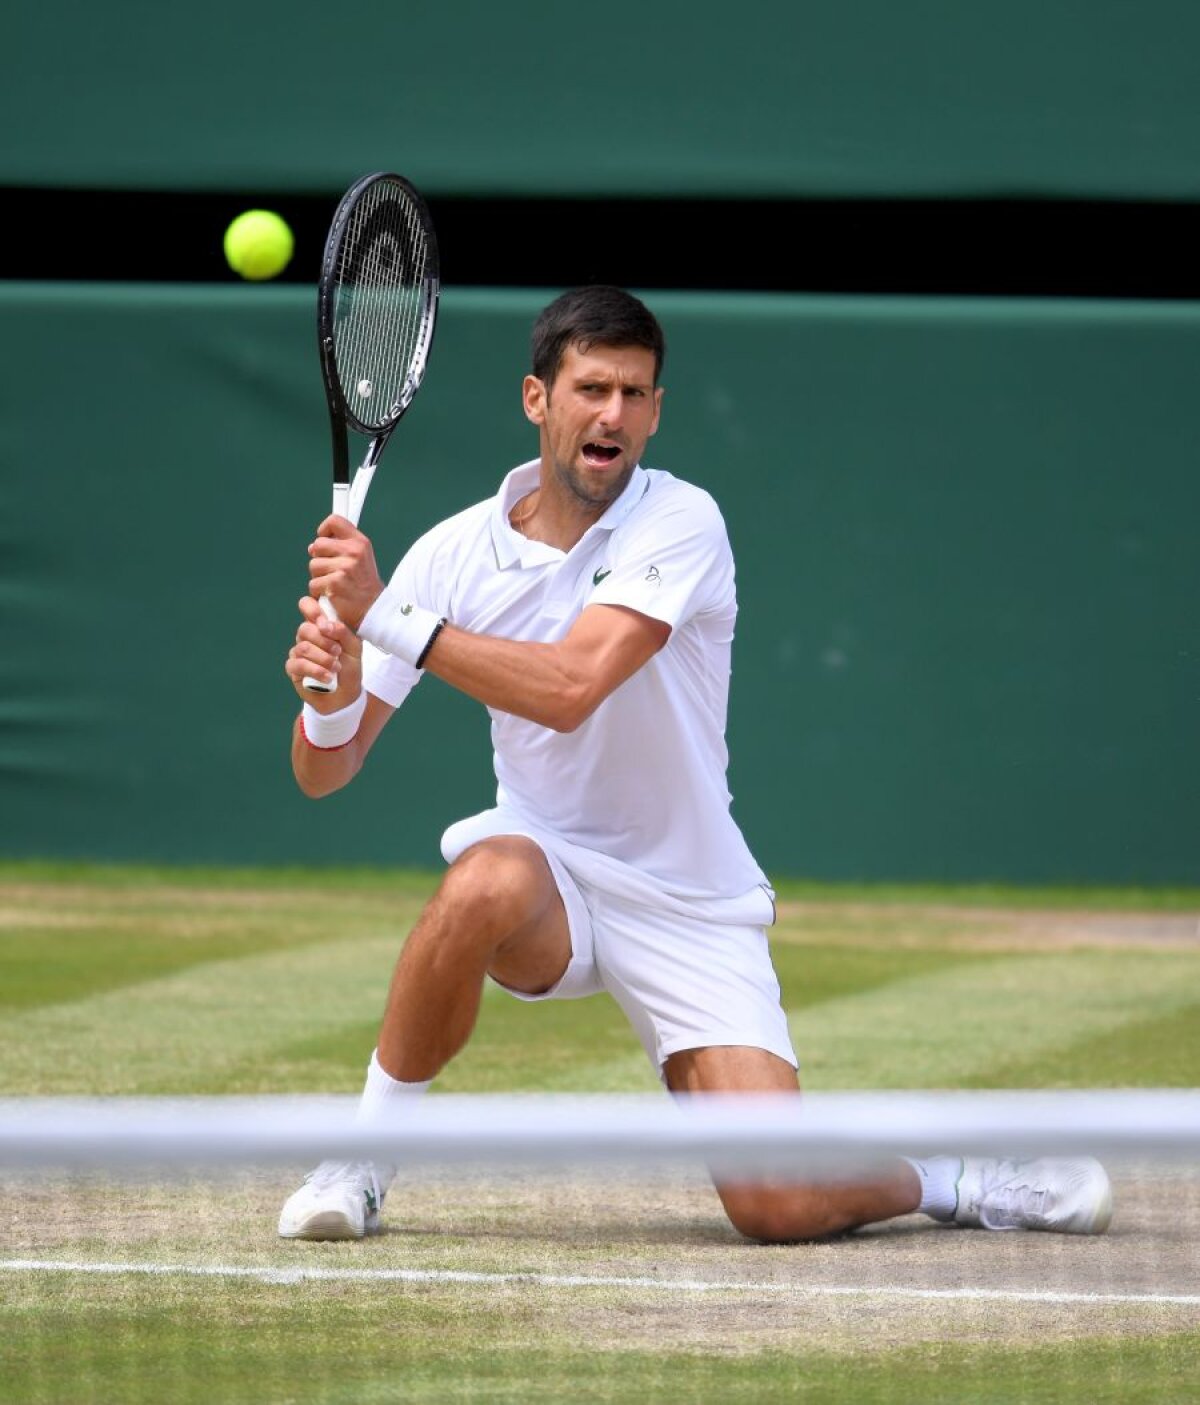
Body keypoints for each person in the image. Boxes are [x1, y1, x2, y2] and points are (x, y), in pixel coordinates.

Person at [278, 285, 1113, 1243]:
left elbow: (570, 685)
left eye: (636, 394)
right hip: (546, 872)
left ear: (658, 412)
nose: (614, 415)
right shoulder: (450, 554)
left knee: (777, 1204)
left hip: (688, 897)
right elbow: (322, 772)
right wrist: (329, 693)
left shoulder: (681, 523)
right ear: (536, 399)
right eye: (592, 388)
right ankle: (361, 1161)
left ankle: (957, 1181)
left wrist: (382, 618)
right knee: (481, 881)